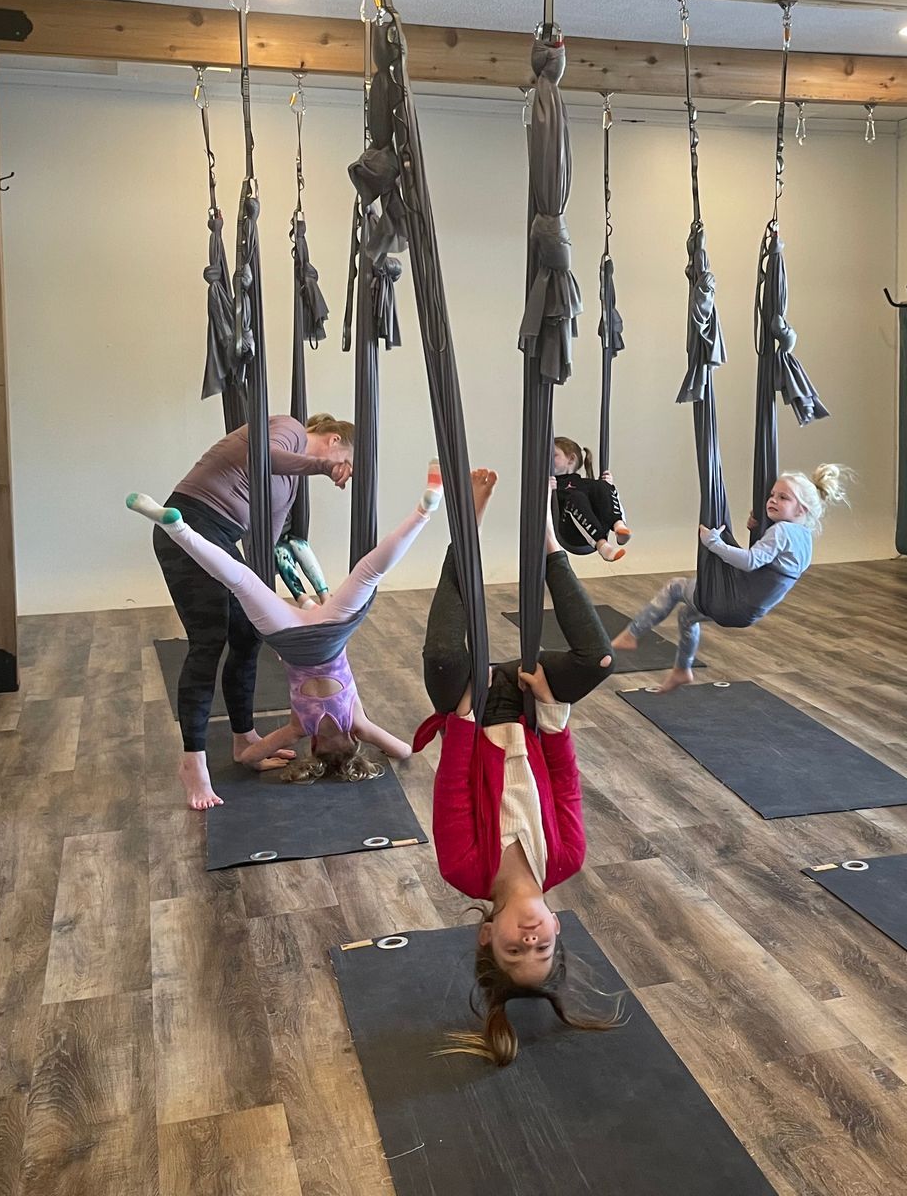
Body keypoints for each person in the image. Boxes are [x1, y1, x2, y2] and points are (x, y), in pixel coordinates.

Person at [409, 470, 623, 1067]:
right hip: (529, 708)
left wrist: (461, 718)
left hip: (470, 715)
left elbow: (451, 792)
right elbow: (567, 783)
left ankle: (465, 532)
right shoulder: (568, 857)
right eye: (543, 950)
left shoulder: (464, 870)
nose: (530, 942)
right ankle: (552, 549)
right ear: (557, 928)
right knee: (598, 659)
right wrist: (551, 709)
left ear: (488, 937)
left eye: (514, 952)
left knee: (446, 656)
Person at [128, 462, 438, 796]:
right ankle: (180, 530)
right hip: (287, 638)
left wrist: (366, 742)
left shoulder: (357, 723)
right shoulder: (299, 728)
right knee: (238, 578)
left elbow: (404, 750)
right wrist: (261, 754)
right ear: (314, 743)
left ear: (352, 740)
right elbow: (248, 758)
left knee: (369, 572)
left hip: (331, 634)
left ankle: (425, 509)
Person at [151, 413, 353, 809]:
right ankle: (192, 762)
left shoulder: (291, 484)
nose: (343, 471)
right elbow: (266, 457)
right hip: (189, 525)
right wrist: (323, 467)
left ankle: (245, 737)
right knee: (208, 643)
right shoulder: (288, 428)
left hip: (222, 537)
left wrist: (285, 617)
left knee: (247, 636)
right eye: (345, 459)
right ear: (332, 440)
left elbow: (268, 550)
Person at [613, 464, 851, 693]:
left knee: (675, 587)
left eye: (783, 498)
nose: (772, 500)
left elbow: (750, 562)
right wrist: (755, 529)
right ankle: (682, 670)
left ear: (801, 510)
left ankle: (632, 634)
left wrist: (714, 543)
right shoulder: (804, 538)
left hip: (732, 602)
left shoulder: (781, 531)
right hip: (749, 613)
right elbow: (771, 566)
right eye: (772, 495)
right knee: (687, 616)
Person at [550, 436, 630, 562]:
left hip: (597, 525)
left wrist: (608, 485)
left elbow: (604, 498)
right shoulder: (552, 485)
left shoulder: (586, 483)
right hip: (571, 532)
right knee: (576, 497)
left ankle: (618, 525)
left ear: (571, 459)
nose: (547, 460)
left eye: (553, 455)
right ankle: (602, 545)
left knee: (602, 486)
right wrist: (548, 491)